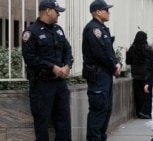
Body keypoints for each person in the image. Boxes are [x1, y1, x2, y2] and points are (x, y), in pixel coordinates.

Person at [21, 0, 74, 141]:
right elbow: (30, 58)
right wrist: (52, 67)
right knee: (42, 123)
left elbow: (68, 50)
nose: (59, 15)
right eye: (57, 11)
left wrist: (67, 65)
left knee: (64, 121)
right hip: (42, 85)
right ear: (48, 11)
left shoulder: (58, 30)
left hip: (60, 84)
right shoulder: (31, 32)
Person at [81, 0, 122, 141]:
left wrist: (117, 64)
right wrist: (113, 67)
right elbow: (100, 54)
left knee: (106, 109)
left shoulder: (102, 29)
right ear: (98, 12)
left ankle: (100, 138)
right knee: (99, 109)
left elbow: (109, 51)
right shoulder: (93, 29)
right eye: (106, 9)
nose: (109, 12)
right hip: (98, 75)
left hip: (105, 74)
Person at [126, 31, 153, 119]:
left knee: (138, 94)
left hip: (136, 74)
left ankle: (139, 112)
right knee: (147, 93)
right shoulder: (148, 49)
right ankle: (146, 111)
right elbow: (152, 61)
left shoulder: (132, 49)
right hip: (146, 74)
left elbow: (128, 61)